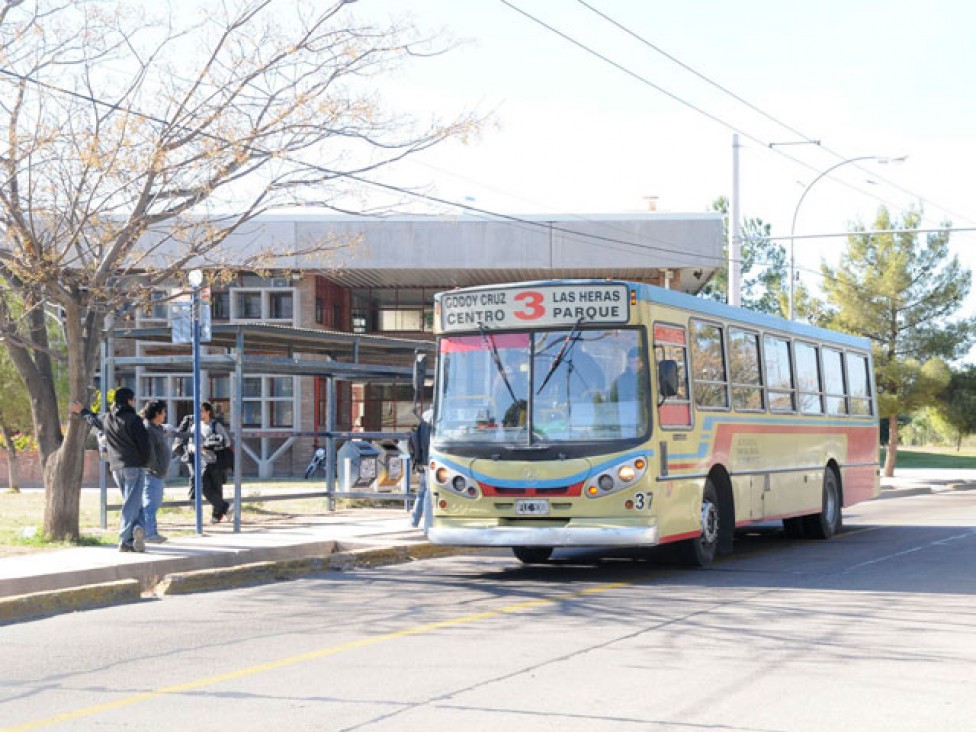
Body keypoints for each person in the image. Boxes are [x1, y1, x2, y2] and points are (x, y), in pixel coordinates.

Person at [70, 388, 151, 553]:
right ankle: (125, 539)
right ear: (129, 401)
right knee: (131, 504)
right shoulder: (134, 420)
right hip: (134, 466)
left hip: (115, 468)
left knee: (133, 502)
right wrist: (146, 462)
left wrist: (82, 411)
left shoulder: (107, 419)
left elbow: (93, 419)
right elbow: (144, 445)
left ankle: (136, 530)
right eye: (133, 400)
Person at [172, 401, 233, 524]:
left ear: (208, 411)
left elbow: (227, 442)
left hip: (215, 462)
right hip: (202, 462)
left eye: (201, 411)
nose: (198, 414)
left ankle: (217, 515)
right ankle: (226, 507)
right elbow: (190, 444)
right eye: (197, 411)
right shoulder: (195, 426)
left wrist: (213, 445)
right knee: (203, 488)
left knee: (216, 489)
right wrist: (196, 448)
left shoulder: (216, 426)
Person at [141, 399, 172, 543]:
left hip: (158, 473)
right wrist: (157, 468)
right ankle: (149, 534)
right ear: (157, 413)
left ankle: (151, 532)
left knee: (153, 504)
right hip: (152, 473)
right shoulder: (148, 429)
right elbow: (149, 454)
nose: (165, 415)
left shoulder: (157, 428)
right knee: (150, 504)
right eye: (164, 411)